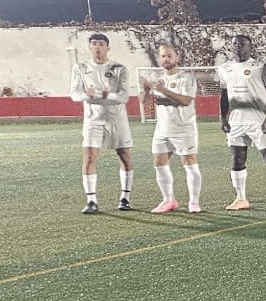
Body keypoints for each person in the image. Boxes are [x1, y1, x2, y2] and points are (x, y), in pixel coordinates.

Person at [215, 33, 266, 211]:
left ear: (250, 47)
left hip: (259, 120)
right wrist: (223, 116)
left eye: (242, 44)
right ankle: (241, 198)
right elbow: (224, 95)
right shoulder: (224, 68)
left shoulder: (261, 67)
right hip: (236, 122)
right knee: (237, 159)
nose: (238, 47)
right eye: (234, 44)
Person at [71, 31, 134, 213]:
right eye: (94, 44)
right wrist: (86, 95)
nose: (97, 47)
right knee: (89, 157)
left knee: (124, 156)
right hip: (93, 119)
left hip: (116, 119)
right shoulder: (80, 68)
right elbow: (75, 94)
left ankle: (125, 197)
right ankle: (91, 201)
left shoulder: (118, 68)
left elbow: (123, 97)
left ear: (108, 47)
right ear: (89, 47)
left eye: (101, 44)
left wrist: (102, 94)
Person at [142, 40, 202, 213]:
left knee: (189, 163)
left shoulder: (186, 77)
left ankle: (194, 202)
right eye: (163, 56)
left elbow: (185, 100)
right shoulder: (156, 78)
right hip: (162, 129)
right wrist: (146, 90)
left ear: (177, 57)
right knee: (159, 162)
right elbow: (144, 102)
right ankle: (168, 200)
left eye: (169, 55)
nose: (166, 59)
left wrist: (164, 90)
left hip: (183, 128)